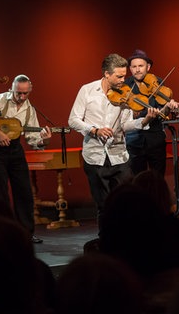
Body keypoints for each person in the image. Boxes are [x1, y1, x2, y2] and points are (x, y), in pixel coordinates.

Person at [68, 53, 159, 231]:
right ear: (106, 74)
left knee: (128, 201)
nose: (123, 80)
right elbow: (73, 120)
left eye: (124, 75)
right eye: (119, 76)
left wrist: (145, 120)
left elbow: (126, 125)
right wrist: (94, 130)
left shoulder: (125, 93)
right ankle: (106, 242)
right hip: (95, 156)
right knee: (104, 206)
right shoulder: (87, 90)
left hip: (119, 155)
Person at [0, 74, 51, 244]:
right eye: (18, 93)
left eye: (25, 94)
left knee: (24, 191)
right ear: (11, 89)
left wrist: (43, 139)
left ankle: (26, 233)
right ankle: (3, 233)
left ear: (29, 91)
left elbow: (32, 138)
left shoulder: (29, 108)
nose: (21, 97)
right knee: (0, 192)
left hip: (15, 149)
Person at [124, 49, 179, 176]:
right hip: (134, 140)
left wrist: (168, 106)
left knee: (158, 178)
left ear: (148, 67)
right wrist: (132, 114)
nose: (137, 70)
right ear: (130, 69)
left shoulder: (157, 82)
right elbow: (122, 115)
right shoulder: (125, 86)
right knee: (137, 180)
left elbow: (163, 111)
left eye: (141, 66)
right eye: (134, 67)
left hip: (155, 138)